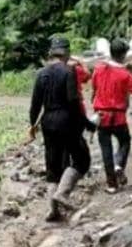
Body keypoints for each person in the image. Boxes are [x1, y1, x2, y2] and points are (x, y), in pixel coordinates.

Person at [29, 37, 91, 221]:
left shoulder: (41, 74)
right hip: (66, 120)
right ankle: (62, 193)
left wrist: (32, 125)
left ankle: (53, 210)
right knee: (82, 159)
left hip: (47, 122)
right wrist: (85, 123)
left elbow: (35, 105)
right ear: (67, 53)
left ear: (51, 53)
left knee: (52, 164)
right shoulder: (69, 71)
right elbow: (73, 102)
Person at [91, 39, 132, 193]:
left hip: (101, 116)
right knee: (125, 141)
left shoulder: (99, 69)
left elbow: (94, 87)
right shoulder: (125, 74)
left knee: (105, 149)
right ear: (124, 55)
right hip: (119, 117)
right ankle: (119, 164)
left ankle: (111, 184)